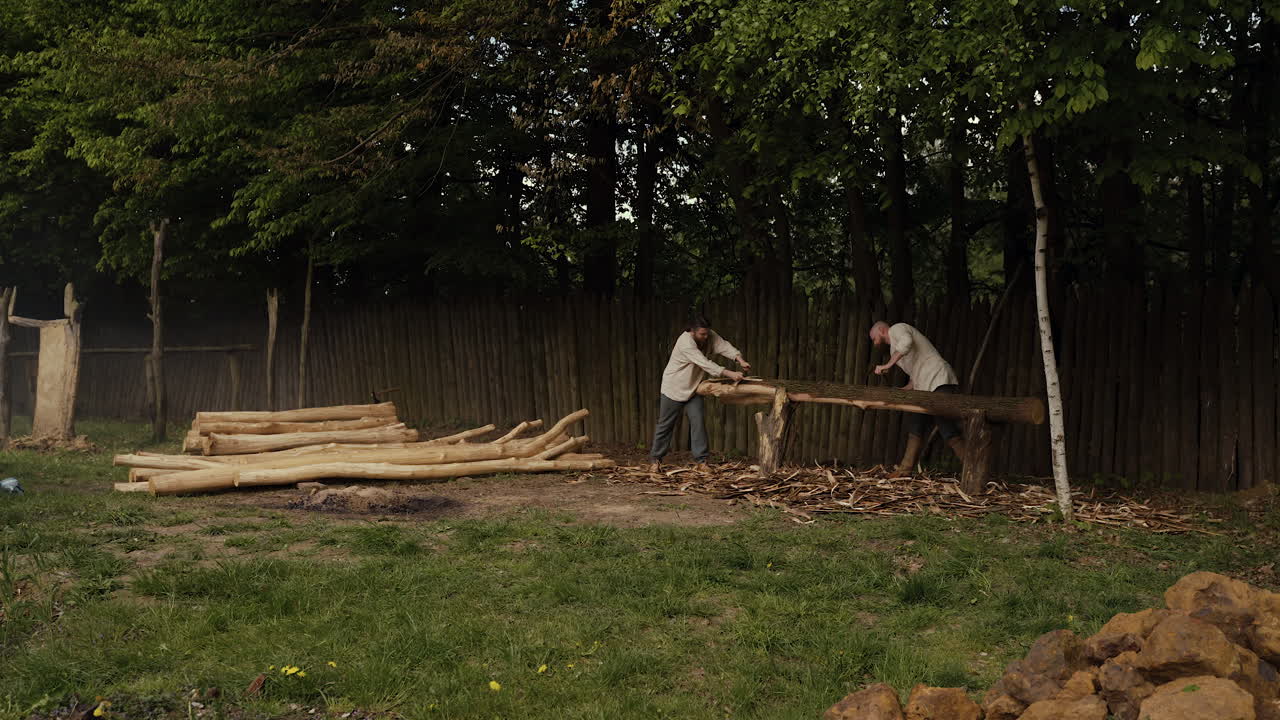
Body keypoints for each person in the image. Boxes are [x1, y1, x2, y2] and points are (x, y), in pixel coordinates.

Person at [649, 316, 750, 472]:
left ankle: (701, 461)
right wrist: (730, 374)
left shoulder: (708, 335)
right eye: (702, 334)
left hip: (694, 388)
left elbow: (723, 346)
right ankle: (655, 460)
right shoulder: (685, 343)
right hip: (674, 388)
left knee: (698, 423)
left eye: (707, 333)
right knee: (665, 425)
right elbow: (704, 363)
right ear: (692, 332)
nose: (705, 337)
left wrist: (739, 359)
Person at [869, 320, 965, 472]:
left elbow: (907, 342)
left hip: (938, 377)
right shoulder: (894, 350)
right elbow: (914, 373)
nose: (874, 342)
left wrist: (887, 365)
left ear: (881, 330)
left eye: (874, 338)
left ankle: (972, 466)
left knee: (945, 426)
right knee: (916, 424)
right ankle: (904, 470)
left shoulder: (897, 328)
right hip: (924, 386)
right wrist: (904, 390)